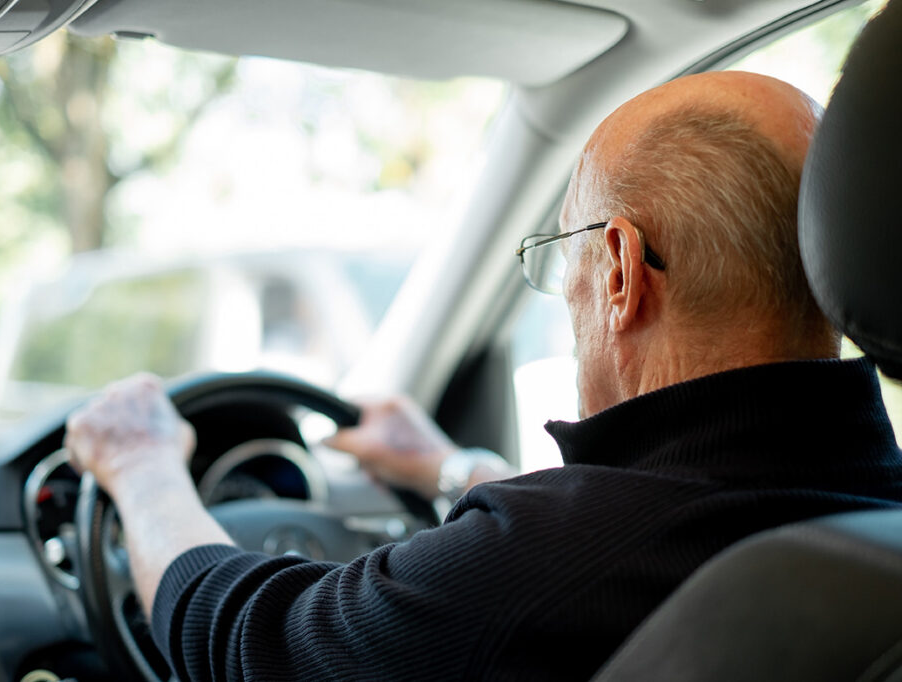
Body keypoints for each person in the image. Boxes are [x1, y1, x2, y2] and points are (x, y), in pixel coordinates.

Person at [66, 71, 902, 681]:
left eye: (561, 253)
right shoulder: (871, 519)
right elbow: (664, 529)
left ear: (617, 271)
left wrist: (141, 470)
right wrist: (454, 471)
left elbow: (249, 639)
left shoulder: (544, 563)